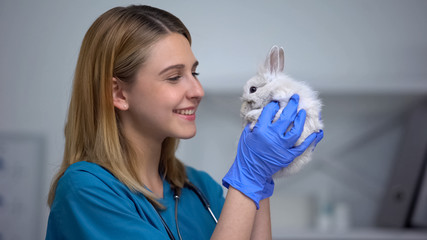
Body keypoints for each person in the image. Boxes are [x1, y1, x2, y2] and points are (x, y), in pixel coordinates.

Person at [45, 5, 323, 240]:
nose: (198, 90)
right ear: (118, 93)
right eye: (174, 77)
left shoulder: (197, 187)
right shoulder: (86, 192)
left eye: (194, 72)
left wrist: (261, 178)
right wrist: (249, 177)